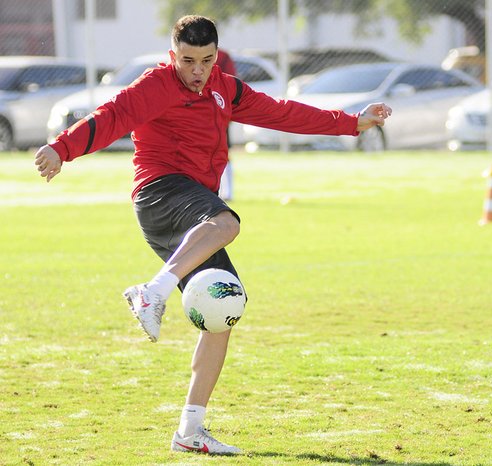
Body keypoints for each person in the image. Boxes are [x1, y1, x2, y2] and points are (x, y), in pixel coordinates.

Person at [33, 15, 391, 456]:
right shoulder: (155, 85)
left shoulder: (227, 89)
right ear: (173, 55)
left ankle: (190, 430)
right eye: (188, 61)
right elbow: (111, 117)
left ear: (216, 56)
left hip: (193, 212)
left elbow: (282, 113)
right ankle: (151, 292)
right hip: (161, 193)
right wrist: (61, 148)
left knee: (223, 307)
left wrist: (352, 123)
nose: (197, 70)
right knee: (227, 223)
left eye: (206, 60)